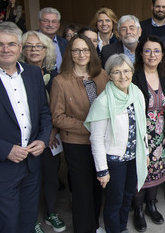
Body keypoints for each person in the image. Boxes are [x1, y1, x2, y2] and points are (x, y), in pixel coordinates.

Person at [0, 22, 51, 233]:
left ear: (20, 47)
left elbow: (43, 112)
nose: (6, 49)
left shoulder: (32, 73)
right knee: (8, 226)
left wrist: (42, 139)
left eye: (12, 44)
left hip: (31, 165)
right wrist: (6, 150)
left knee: (27, 221)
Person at [50, 34, 109, 233]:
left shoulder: (101, 74)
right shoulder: (60, 81)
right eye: (76, 50)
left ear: (91, 52)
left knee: (97, 185)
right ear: (70, 53)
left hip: (100, 142)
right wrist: (89, 126)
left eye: (85, 50)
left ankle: (94, 225)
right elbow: (57, 117)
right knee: (82, 189)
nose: (81, 54)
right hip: (76, 143)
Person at [85, 54, 148, 233]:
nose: (123, 76)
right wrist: (102, 170)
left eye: (126, 71)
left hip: (134, 156)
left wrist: (146, 153)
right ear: (109, 75)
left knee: (127, 197)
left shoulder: (136, 93)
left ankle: (121, 228)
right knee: (114, 201)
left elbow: (142, 127)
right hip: (114, 160)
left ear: (132, 72)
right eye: (117, 72)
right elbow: (96, 139)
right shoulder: (103, 101)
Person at [21, 31, 66, 232]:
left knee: (50, 175)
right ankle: (30, 220)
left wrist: (53, 130)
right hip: (24, 136)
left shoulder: (54, 74)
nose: (34, 50)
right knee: (27, 180)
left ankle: (51, 212)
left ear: (46, 50)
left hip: (50, 135)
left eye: (39, 46)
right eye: (29, 46)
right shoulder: (17, 73)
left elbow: (59, 106)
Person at [131, 36, 165, 231]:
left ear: (162, 54)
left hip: (161, 133)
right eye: (147, 50)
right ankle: (139, 210)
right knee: (141, 172)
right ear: (141, 53)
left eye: (156, 51)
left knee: (156, 170)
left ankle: (151, 205)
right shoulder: (133, 75)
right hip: (140, 133)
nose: (152, 55)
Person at [38, 7, 67, 71]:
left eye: (54, 21)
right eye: (46, 21)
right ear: (39, 22)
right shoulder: (30, 40)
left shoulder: (64, 43)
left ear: (59, 24)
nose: (50, 24)